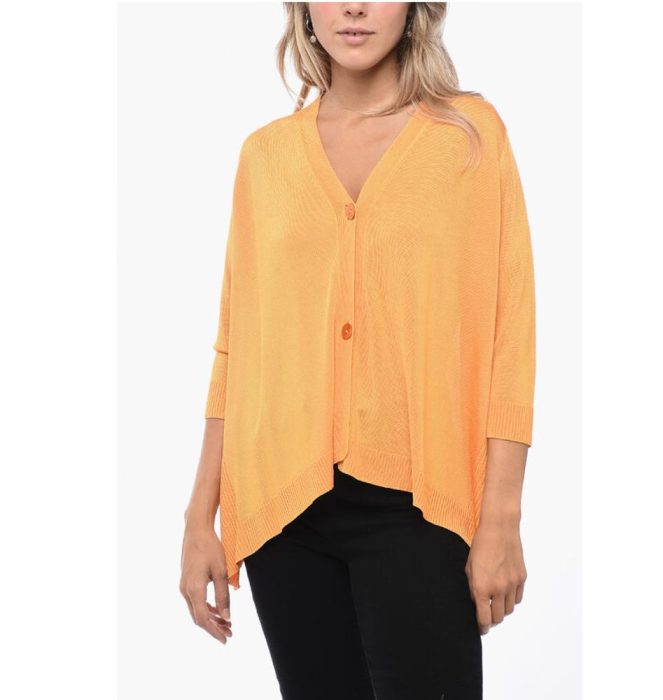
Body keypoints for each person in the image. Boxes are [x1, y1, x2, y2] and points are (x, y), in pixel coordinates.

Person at [180, 2, 536, 699]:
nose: (353, 7)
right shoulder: (265, 158)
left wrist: (503, 516)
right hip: (283, 511)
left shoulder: (468, 140)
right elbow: (236, 347)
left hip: (421, 508)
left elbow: (511, 337)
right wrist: (200, 516)